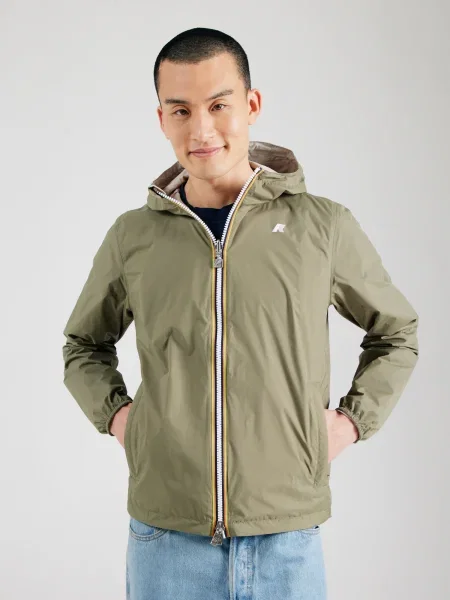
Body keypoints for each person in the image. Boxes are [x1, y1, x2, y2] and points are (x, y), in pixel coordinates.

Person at [62, 27, 419, 600]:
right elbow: (83, 344)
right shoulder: (133, 236)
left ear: (251, 105)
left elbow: (396, 332)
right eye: (180, 110)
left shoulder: (321, 226)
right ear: (161, 119)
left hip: (286, 538)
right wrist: (123, 420)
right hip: (167, 539)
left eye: (218, 105)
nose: (201, 130)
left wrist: (350, 422)